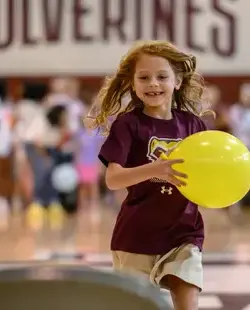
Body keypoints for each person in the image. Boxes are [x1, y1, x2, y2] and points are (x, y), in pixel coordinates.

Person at [91, 40, 210, 310]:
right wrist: (156, 169)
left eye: (161, 77)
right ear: (133, 84)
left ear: (177, 81)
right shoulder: (128, 124)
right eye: (144, 77)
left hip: (184, 231)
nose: (153, 84)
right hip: (136, 234)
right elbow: (113, 179)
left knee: (188, 301)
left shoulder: (193, 125)